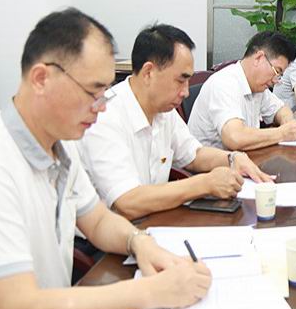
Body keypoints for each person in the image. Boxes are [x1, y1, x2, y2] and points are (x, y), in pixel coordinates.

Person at [0, 9, 211, 309]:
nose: (101, 108)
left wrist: (140, 243)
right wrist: (150, 291)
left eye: (105, 91)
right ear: (41, 78)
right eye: (93, 92)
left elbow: (98, 220)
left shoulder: (61, 144)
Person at [79, 24, 273, 220]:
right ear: (148, 73)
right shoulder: (105, 116)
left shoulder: (164, 110)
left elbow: (194, 155)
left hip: (153, 220)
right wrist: (203, 184)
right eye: (180, 80)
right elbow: (127, 201)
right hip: (112, 232)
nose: (186, 92)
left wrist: (232, 158)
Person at [188, 31, 296, 150]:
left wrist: (288, 122)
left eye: (279, 75)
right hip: (214, 161)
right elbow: (235, 138)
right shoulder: (224, 83)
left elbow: (281, 109)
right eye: (277, 71)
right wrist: (282, 133)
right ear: (259, 58)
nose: (275, 80)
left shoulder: (257, 86)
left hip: (242, 157)